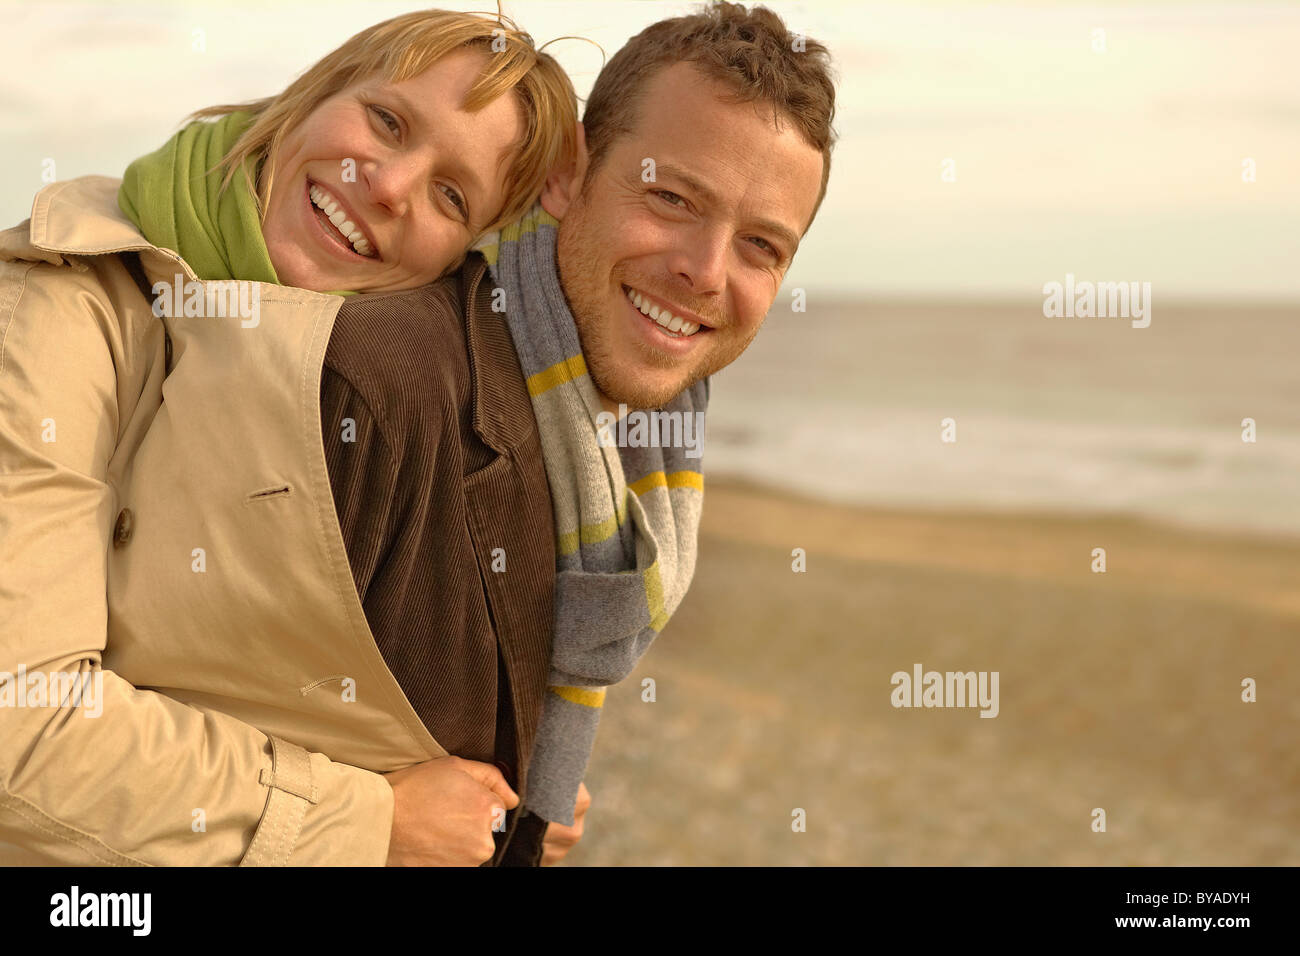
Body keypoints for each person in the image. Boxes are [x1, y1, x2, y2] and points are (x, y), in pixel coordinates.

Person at [0, 9, 576, 866]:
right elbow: (22, 726)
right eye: (387, 121)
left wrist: (509, 775)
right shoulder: (56, 312)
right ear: (311, 95)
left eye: (452, 195)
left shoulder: (342, 389)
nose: (389, 184)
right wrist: (371, 821)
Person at [322, 0, 837, 864]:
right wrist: (368, 819)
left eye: (760, 246)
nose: (705, 273)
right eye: (671, 197)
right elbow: (159, 720)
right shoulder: (379, 381)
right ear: (569, 174)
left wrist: (523, 782)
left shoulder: (629, 443)